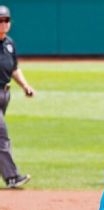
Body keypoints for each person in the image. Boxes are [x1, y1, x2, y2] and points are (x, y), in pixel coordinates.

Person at [0, 5, 35, 188]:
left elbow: (13, 68)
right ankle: (12, 177)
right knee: (1, 136)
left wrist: (25, 86)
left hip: (5, 93)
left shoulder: (9, 43)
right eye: (0, 20)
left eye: (6, 20)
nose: (4, 23)